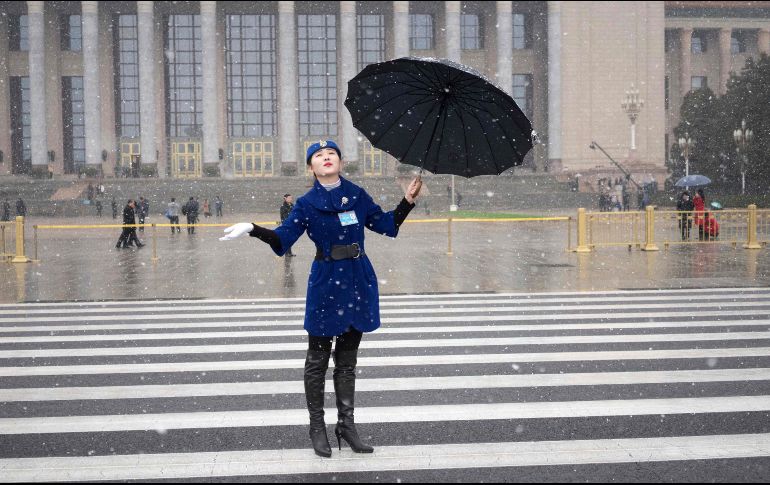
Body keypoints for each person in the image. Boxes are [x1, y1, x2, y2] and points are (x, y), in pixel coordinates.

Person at [220, 140, 422, 458]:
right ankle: (317, 427)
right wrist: (253, 229)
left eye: (331, 154)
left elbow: (386, 225)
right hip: (327, 283)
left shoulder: (357, 195)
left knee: (347, 362)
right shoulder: (306, 204)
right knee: (317, 361)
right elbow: (284, 239)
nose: (326, 157)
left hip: (357, 280)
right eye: (318, 156)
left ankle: (347, 426)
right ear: (310, 168)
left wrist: (406, 202)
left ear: (340, 162)